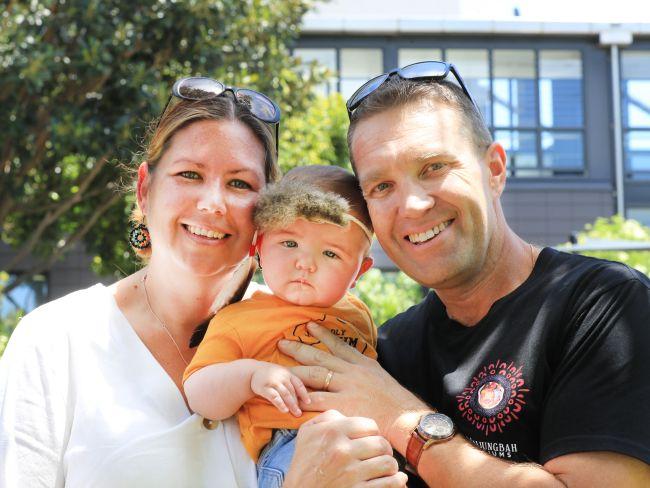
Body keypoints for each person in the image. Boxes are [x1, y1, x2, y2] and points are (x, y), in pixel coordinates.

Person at [0, 77, 406, 487]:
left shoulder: (311, 335)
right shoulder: (58, 340)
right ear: (144, 190)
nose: (213, 204)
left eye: (239, 184)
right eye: (190, 174)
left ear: (269, 213)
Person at [277, 61, 650, 487]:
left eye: (433, 167)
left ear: (494, 170)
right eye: (381, 187)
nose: (412, 206)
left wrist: (402, 418)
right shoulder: (385, 350)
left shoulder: (604, 306)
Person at [184, 165, 378, 486]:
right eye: (289, 244)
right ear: (259, 244)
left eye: (330, 253)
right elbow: (198, 392)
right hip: (293, 446)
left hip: (368, 441)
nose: (306, 263)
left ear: (360, 272)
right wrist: (251, 376)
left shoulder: (359, 315)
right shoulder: (239, 319)